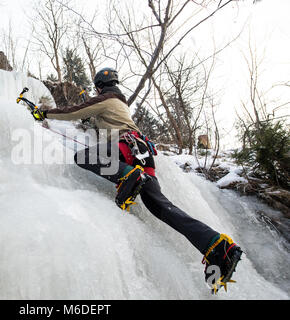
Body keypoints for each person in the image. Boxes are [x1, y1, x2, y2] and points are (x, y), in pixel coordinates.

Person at [32, 67, 242, 293]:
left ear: (100, 87)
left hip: (126, 148)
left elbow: (74, 111)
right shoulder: (120, 104)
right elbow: (96, 123)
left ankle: (127, 176)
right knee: (161, 207)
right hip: (143, 154)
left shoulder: (106, 99)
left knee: (84, 156)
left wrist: (45, 114)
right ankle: (218, 246)